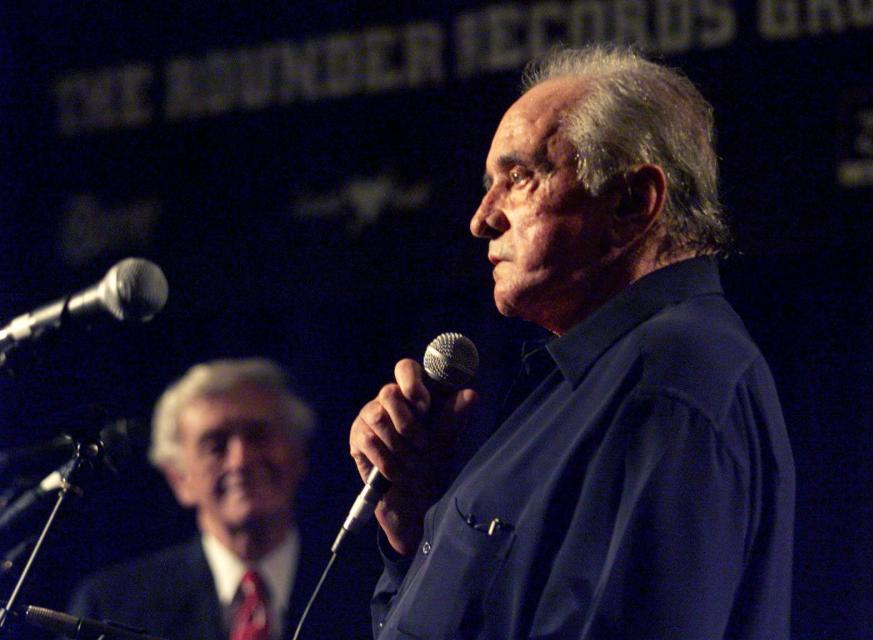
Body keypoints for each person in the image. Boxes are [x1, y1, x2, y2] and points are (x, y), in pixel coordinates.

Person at [349, 44, 795, 639]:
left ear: (633, 202)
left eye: (520, 177)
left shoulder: (670, 381)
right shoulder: (589, 380)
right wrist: (411, 522)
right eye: (490, 184)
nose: (482, 217)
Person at [70, 358, 323, 640]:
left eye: (259, 436)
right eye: (215, 445)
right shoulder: (111, 608)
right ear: (179, 479)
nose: (241, 459)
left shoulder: (367, 586)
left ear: (299, 454)